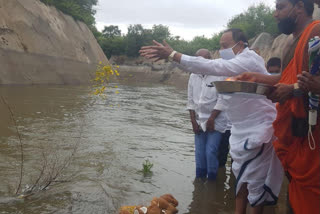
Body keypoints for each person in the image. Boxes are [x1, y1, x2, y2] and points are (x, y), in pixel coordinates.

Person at [140, 28, 284, 214]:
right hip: (240, 130)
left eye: (225, 46)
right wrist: (172, 58)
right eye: (220, 46)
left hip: (259, 129)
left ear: (239, 45)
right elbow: (200, 70)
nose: (222, 50)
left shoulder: (248, 59)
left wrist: (173, 54)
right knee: (240, 179)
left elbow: (212, 66)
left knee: (255, 183)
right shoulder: (232, 63)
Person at [232, 1, 320, 213]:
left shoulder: (315, 31)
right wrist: (258, 78)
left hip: (313, 137)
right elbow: (285, 78)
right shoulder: (292, 42)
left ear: (299, 7)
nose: (274, 14)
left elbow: (308, 83)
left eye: (280, 7)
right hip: (296, 137)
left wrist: (292, 90)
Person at [187, 49, 230, 180]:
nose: (199, 63)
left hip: (216, 120)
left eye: (202, 60)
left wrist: (212, 118)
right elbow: (190, 101)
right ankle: (200, 181)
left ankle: (212, 180)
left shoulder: (219, 75)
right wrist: (193, 121)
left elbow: (223, 99)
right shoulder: (193, 76)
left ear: (209, 60)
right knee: (199, 153)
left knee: (211, 152)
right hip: (199, 120)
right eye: (196, 60)